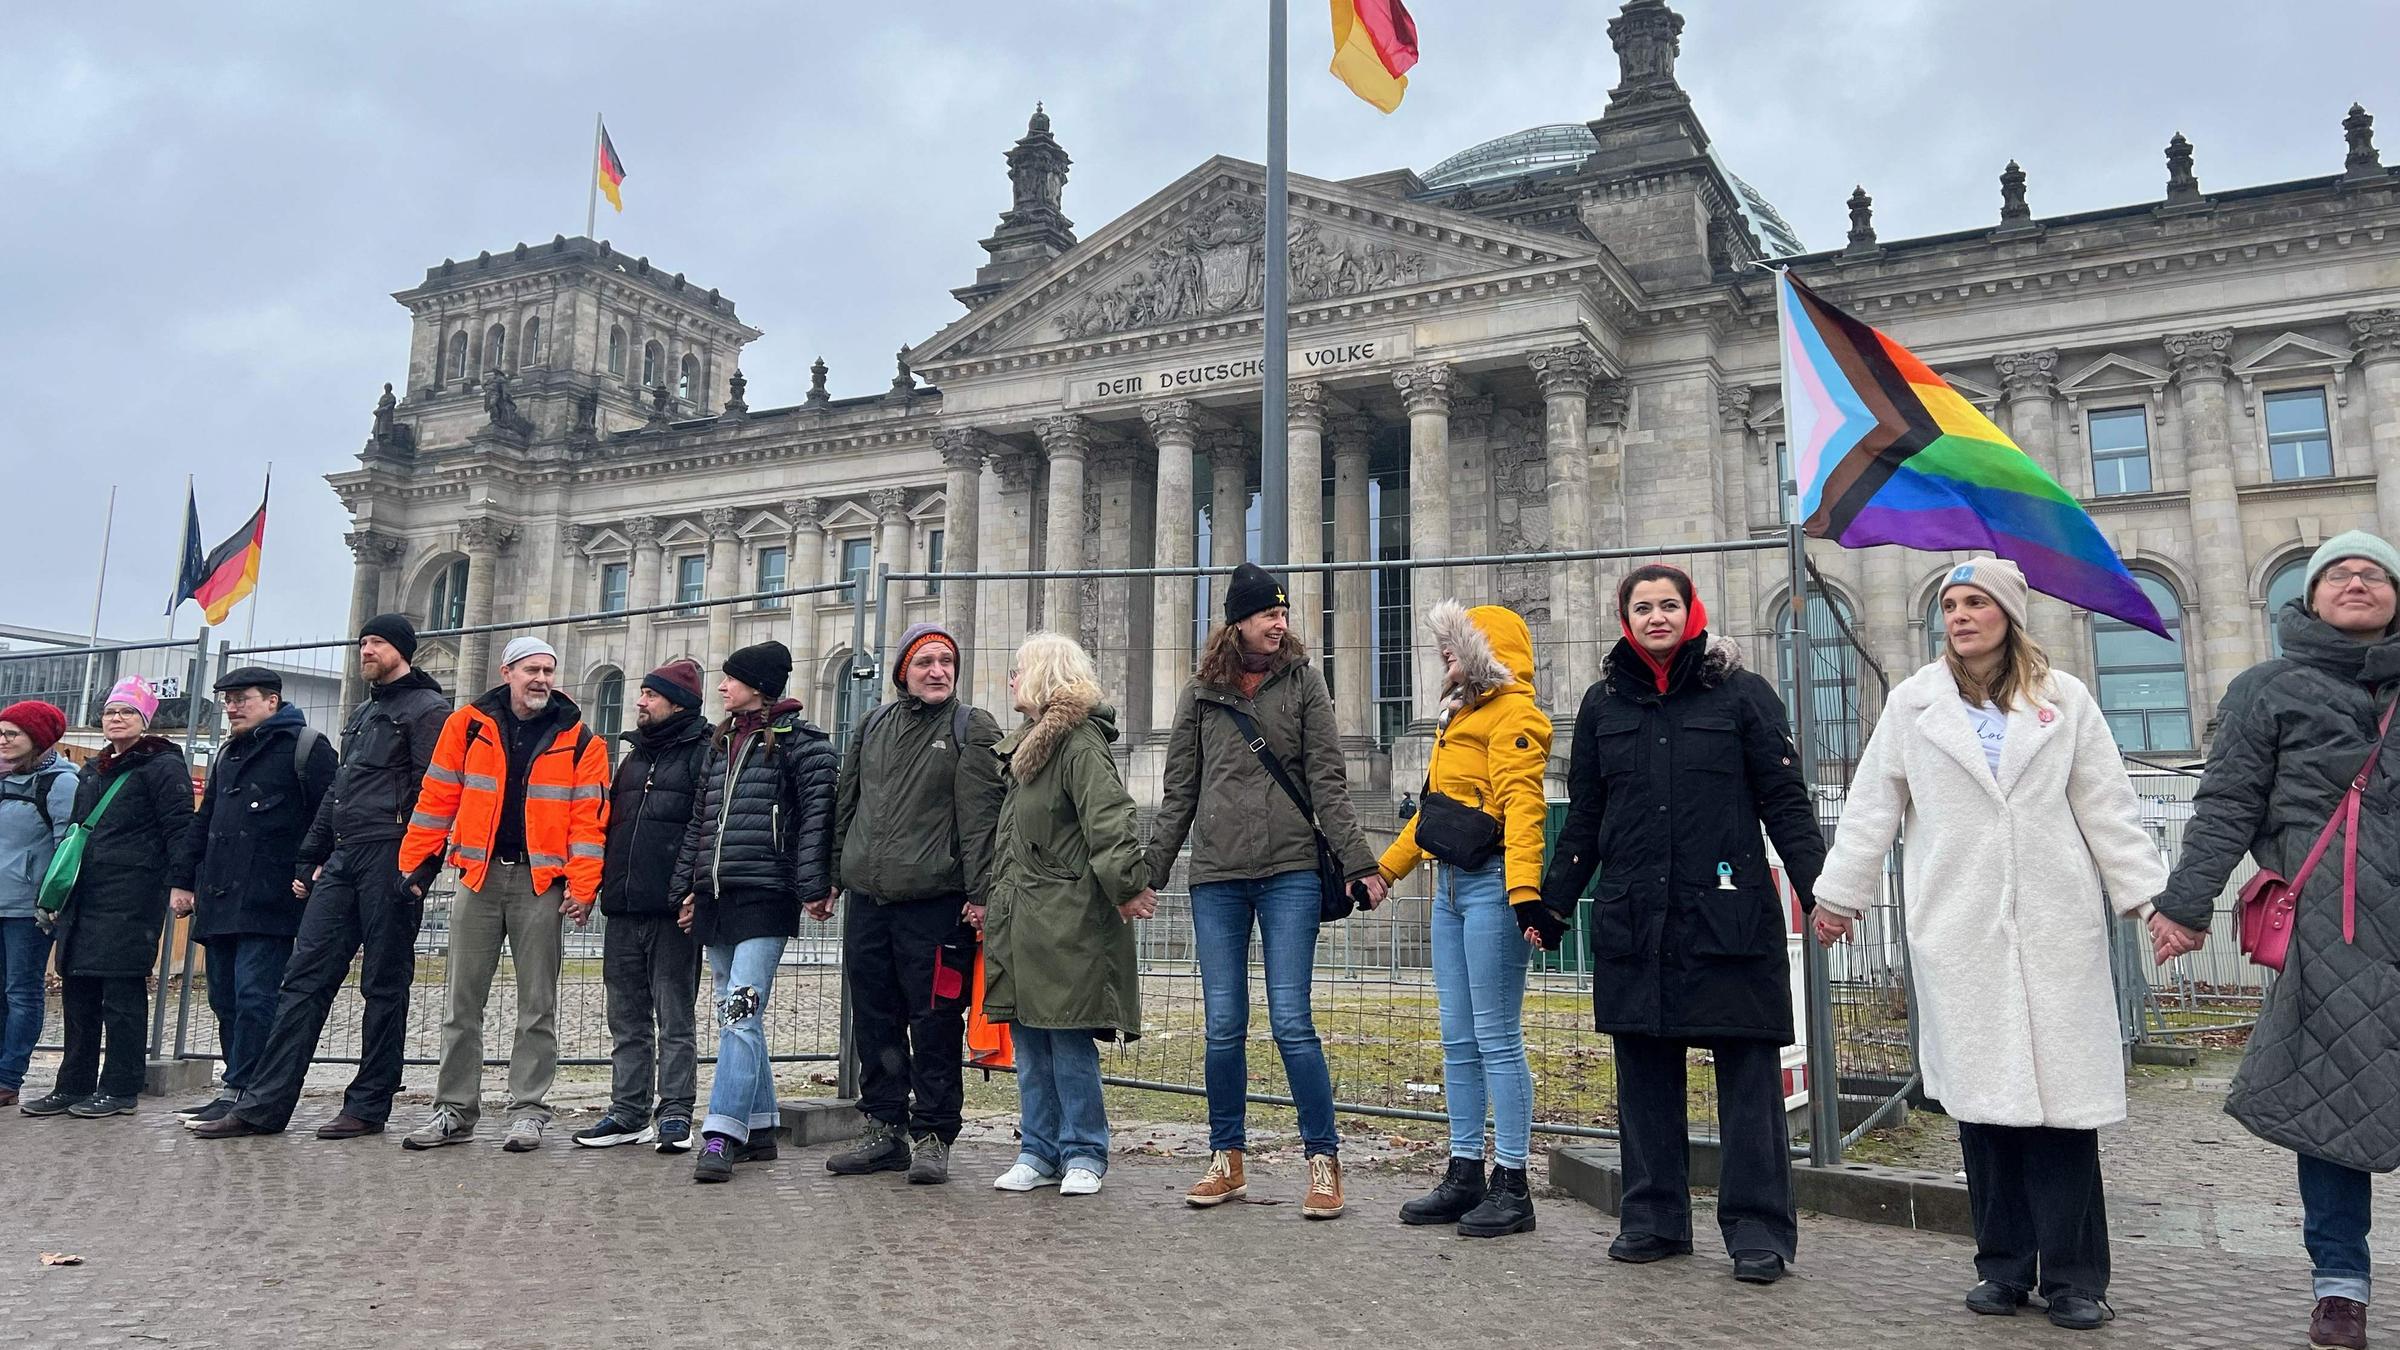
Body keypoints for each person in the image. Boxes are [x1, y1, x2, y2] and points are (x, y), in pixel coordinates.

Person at [1813, 557, 2167, 1331]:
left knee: (2063, 1114)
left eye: (1976, 603)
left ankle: (2076, 1279)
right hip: (1962, 927)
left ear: (2009, 613)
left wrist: (2150, 902)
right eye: (1951, 604)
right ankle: (2002, 1268)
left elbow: (2107, 807)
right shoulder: (1914, 706)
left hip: (2053, 926)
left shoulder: (2063, 701)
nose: (1961, 616)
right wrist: (1841, 896)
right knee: (1986, 1111)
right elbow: (1872, 805)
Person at [1539, 563, 1826, 1282]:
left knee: (1748, 1076)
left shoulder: (1743, 696)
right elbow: (1587, 817)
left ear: (1691, 612)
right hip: (1639, 913)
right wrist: (1552, 901)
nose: (1657, 616)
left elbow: (1785, 802)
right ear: (1625, 618)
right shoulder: (1603, 707)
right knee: (1643, 1071)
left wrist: (1822, 889)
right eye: (1643, 606)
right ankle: (1653, 1216)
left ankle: (1758, 1229)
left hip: (1727, 913)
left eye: (1669, 604)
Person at [2151, 530, 2400, 1350]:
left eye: (2374, 573)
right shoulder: (2269, 689)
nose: (2357, 582)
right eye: (2340, 573)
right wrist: (2185, 907)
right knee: (2329, 1103)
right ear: (2311, 593)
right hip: (2335, 934)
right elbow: (2226, 804)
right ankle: (2340, 1288)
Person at [1146, 562, 1383, 1218]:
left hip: (1289, 874)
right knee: (1223, 1025)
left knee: (1292, 1022)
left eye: (1282, 614)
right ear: (1238, 622)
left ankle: (1324, 1164)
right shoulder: (1199, 694)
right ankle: (1227, 1161)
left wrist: (1361, 862)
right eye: (1266, 614)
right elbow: (1179, 793)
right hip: (1217, 877)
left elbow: (1328, 781)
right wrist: (1151, 874)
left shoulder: (1305, 683)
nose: (1280, 623)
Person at [192, 614, 448, 1141]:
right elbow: (338, 791)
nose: (366, 649)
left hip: (393, 854)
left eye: (376, 642)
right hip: (346, 855)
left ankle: (369, 1102)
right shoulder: (360, 713)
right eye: (362, 642)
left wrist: (422, 864)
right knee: (302, 979)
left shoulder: (428, 711)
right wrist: (311, 855)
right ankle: (264, 1105)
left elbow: (436, 792)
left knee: (383, 982)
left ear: (402, 649)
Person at [1377, 601, 1555, 1238]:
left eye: (1454, 645)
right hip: (1449, 884)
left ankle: (1513, 1182)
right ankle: (1464, 1170)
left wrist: (1525, 892)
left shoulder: (1516, 715)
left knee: (1496, 1036)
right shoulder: (1458, 720)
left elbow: (1524, 806)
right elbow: (1435, 814)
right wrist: (1383, 873)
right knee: (1457, 1037)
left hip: (1492, 886)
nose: (1444, 656)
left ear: (1486, 650)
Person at [396, 636, 609, 1154]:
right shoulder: (465, 726)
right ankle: (453, 1111)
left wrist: (583, 887)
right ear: (506, 671)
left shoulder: (582, 741)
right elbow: (437, 796)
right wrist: (414, 864)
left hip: (542, 883)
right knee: (460, 1002)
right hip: (478, 877)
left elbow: (588, 822)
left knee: (538, 1004)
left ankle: (528, 1111)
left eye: (549, 670)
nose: (541, 679)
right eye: (532, 669)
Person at [825, 622, 1004, 1186]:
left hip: (936, 904)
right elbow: (845, 804)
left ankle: (933, 1133)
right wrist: (831, 876)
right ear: (904, 669)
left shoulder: (970, 727)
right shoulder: (873, 723)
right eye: (926, 662)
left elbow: (981, 819)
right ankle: (883, 1129)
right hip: (869, 902)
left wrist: (979, 893)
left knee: (934, 1022)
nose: (938, 672)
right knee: (874, 1018)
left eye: (946, 663)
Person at [983, 632, 1154, 1197]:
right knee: (1031, 1041)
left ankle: (1085, 1150)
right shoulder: (1030, 745)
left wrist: (1128, 885)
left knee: (1068, 1040)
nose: (1010, 681)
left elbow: (1108, 818)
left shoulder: (1077, 743)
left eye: (1017, 671)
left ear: (1040, 676)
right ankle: (1038, 1149)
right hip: (1026, 917)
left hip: (1068, 917)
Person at [670, 640, 839, 1184]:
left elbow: (818, 819)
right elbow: (700, 823)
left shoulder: (804, 745)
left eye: (731, 679)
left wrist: (813, 885)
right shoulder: (719, 745)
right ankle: (761, 1127)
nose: (721, 688)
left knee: (740, 1011)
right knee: (732, 1012)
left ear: (759, 687)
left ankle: (720, 1132)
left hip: (766, 895)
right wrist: (688, 887)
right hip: (719, 896)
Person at [167, 666, 337, 1127]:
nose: (232, 707)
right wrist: (183, 879)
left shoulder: (307, 748)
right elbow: (205, 821)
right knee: (224, 999)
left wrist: (316, 866)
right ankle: (234, 1087)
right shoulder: (227, 754)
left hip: (272, 900)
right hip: (220, 897)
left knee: (256, 996)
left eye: (242, 698)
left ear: (272, 701)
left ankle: (251, 1092)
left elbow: (331, 813)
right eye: (227, 700)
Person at [22, 678, 193, 1119]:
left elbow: (179, 828)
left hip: (132, 893)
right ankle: (73, 1084)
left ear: (145, 720)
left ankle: (120, 1086)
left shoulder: (162, 766)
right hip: (85, 892)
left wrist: (182, 882)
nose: (116, 719)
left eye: (127, 713)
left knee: (120, 992)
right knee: (77, 987)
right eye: (111, 712)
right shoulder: (93, 769)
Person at [575, 659, 712, 1154]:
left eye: (650, 696)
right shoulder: (633, 758)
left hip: (673, 913)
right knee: (626, 1018)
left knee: (676, 1018)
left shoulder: (704, 753)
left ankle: (675, 1114)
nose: (640, 702)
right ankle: (627, 1112)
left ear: (675, 702)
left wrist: (695, 892)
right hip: (623, 908)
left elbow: (706, 830)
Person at [0, 701, 76, 1109]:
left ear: (38, 739)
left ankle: (8, 1077)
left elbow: (68, 846)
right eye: (0, 732)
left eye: (12, 734)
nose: (3, 741)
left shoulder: (60, 783)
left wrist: (52, 900)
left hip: (28, 909)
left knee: (21, 992)